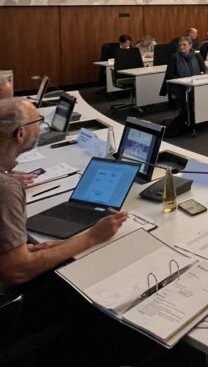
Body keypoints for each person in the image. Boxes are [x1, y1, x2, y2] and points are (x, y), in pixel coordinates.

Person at [0, 99, 126, 287]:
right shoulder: (6, 188)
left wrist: (21, 249)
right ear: (21, 133)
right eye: (38, 122)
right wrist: (92, 236)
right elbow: (17, 271)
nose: (41, 127)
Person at [160, 36, 207, 128]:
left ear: (190, 45)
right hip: (179, 87)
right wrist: (184, 80)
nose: (182, 47)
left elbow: (204, 70)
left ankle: (201, 118)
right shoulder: (174, 57)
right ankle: (190, 120)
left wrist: (201, 75)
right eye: (180, 45)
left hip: (196, 85)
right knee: (189, 97)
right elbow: (170, 75)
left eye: (184, 45)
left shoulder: (197, 56)